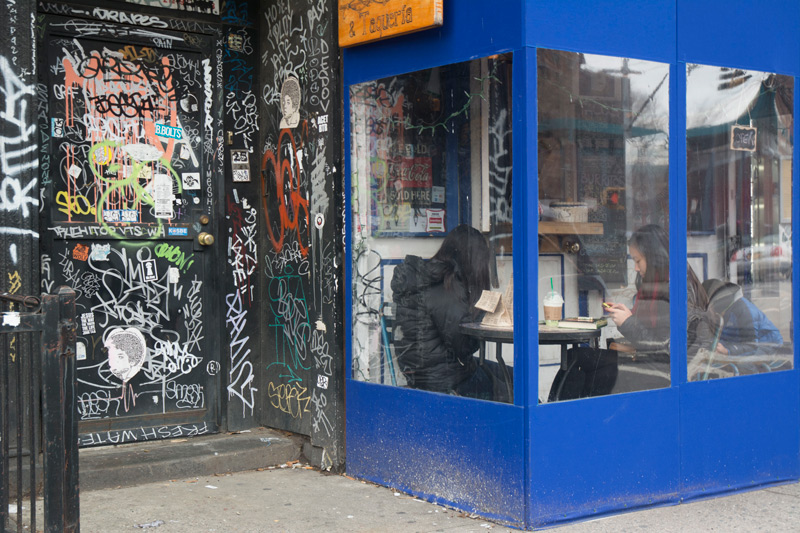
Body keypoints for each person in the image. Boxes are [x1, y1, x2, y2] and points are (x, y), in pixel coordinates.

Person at [549, 224, 714, 401]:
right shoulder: (658, 283)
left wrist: (628, 323)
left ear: (654, 258)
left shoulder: (678, 290)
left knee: (598, 375)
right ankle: (553, 410)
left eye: (638, 261)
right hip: (650, 360)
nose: (635, 268)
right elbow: (654, 332)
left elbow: (668, 349)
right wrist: (628, 316)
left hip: (668, 373)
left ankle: (572, 418)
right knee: (577, 356)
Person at [390, 224, 511, 402]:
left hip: (430, 374)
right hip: (447, 381)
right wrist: (482, 316)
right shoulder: (447, 288)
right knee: (515, 388)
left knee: (510, 374)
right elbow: (463, 347)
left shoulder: (429, 278)